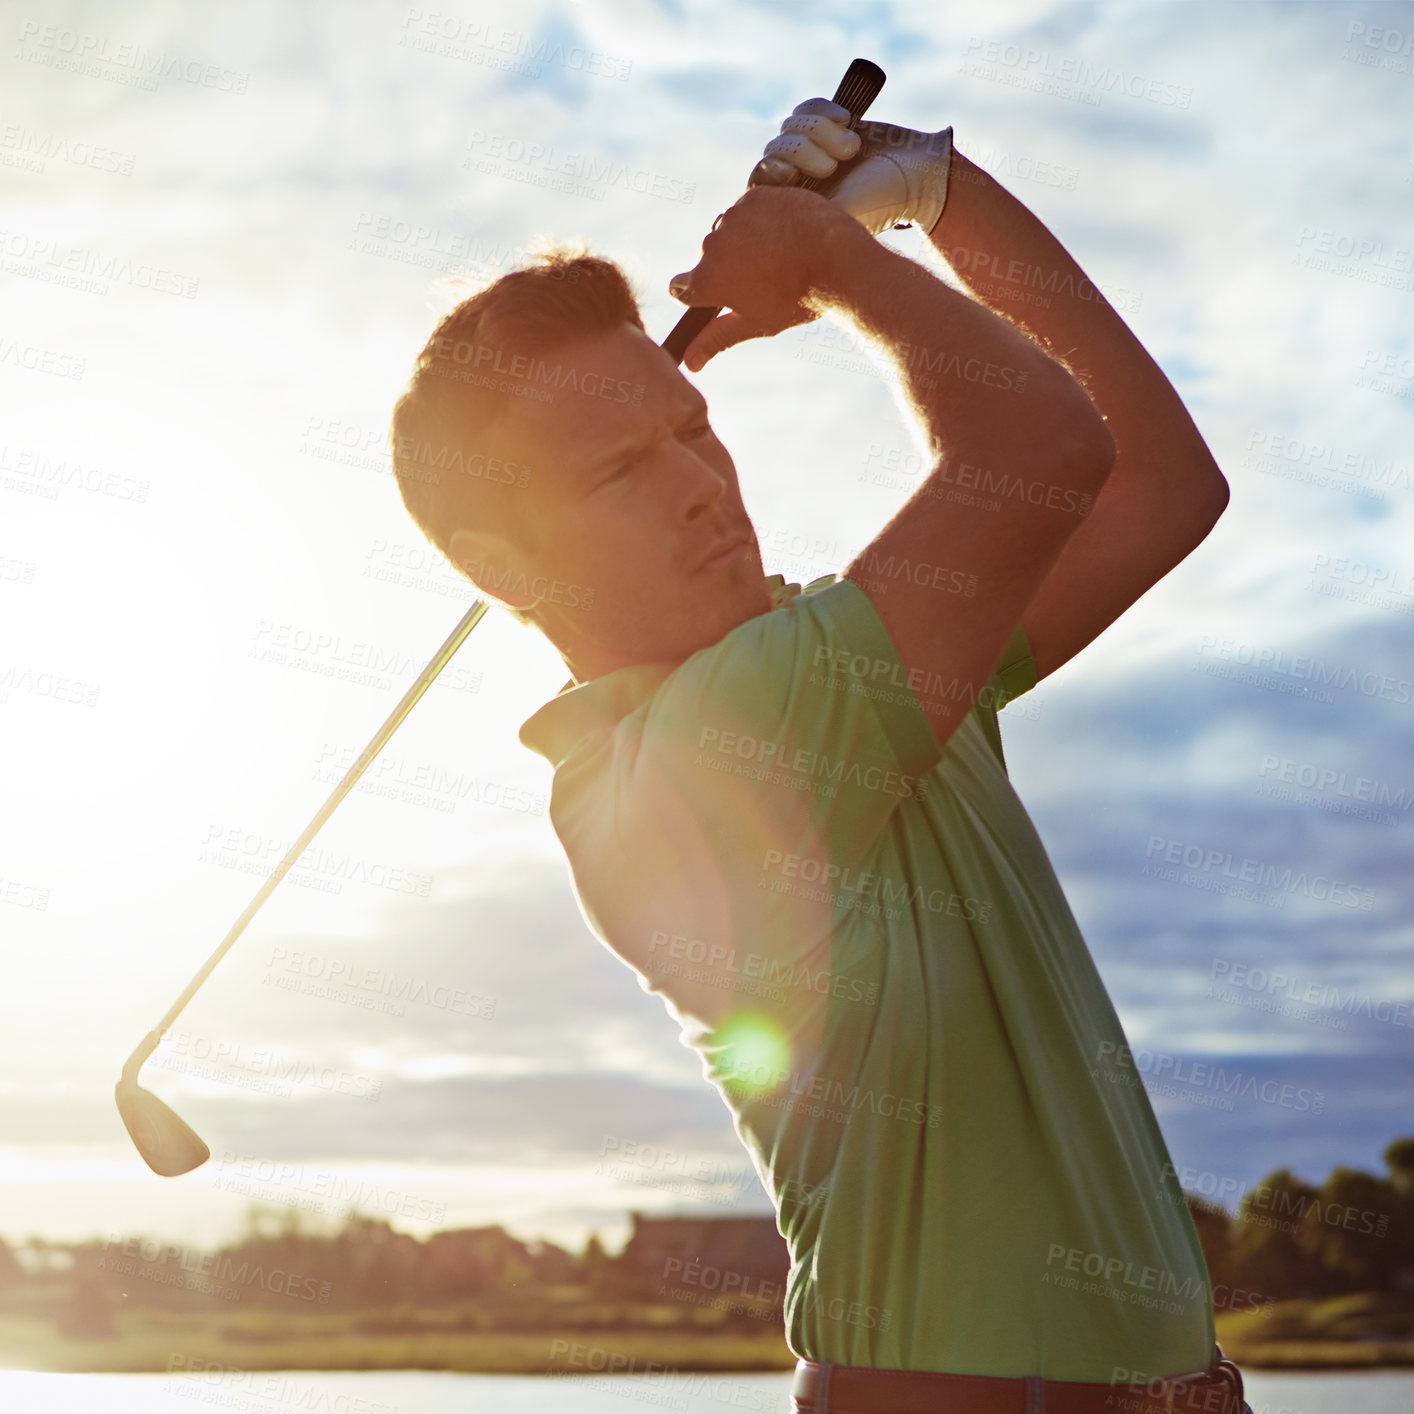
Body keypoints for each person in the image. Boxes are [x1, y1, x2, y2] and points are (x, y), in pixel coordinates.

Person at [389, 96, 1246, 1414]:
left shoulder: (848, 663)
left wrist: (940, 195)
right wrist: (845, 262)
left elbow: (1157, 485)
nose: (697, 480)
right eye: (621, 468)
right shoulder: (685, 759)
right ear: (505, 564)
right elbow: (1041, 445)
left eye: (689, 426)